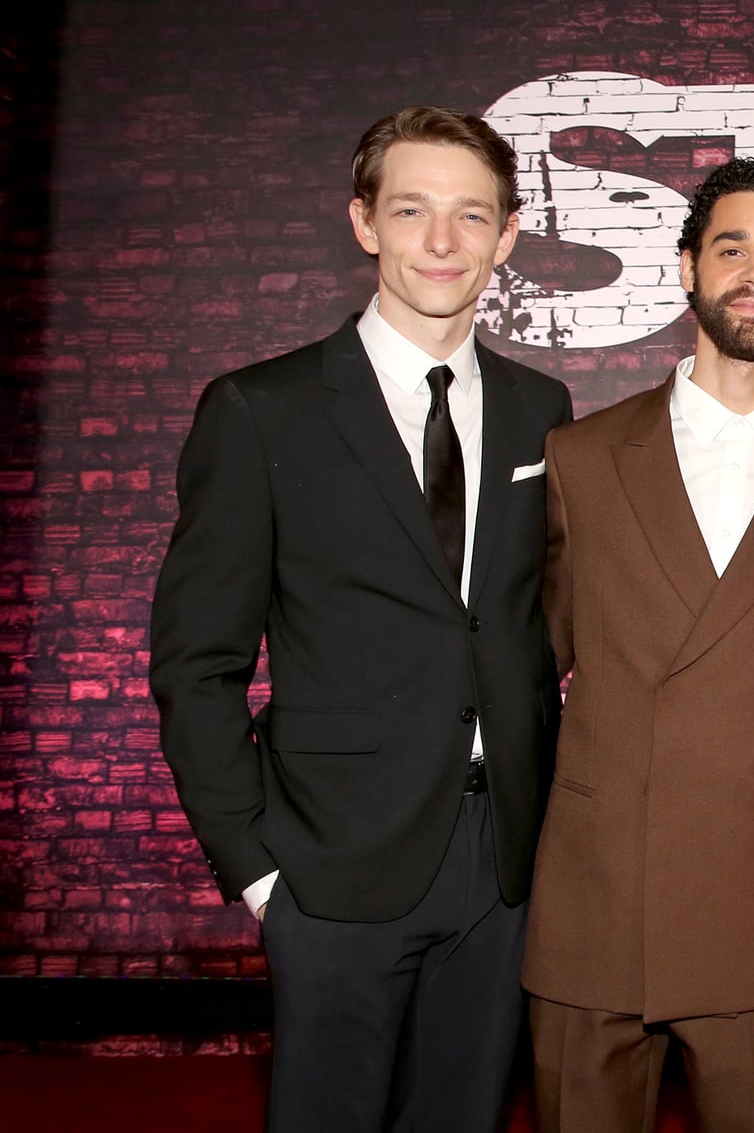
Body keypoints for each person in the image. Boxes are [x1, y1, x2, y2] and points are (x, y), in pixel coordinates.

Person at [149, 107, 573, 1133]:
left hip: (502, 861)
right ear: (363, 222)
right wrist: (256, 871)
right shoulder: (261, 409)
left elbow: (530, 619)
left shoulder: (540, 408)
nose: (441, 241)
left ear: (506, 235)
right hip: (330, 860)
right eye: (412, 210)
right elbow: (195, 662)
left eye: (470, 216)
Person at [521, 156, 754, 1133]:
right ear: (686, 269)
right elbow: (521, 670)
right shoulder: (580, 456)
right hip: (592, 898)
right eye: (731, 248)